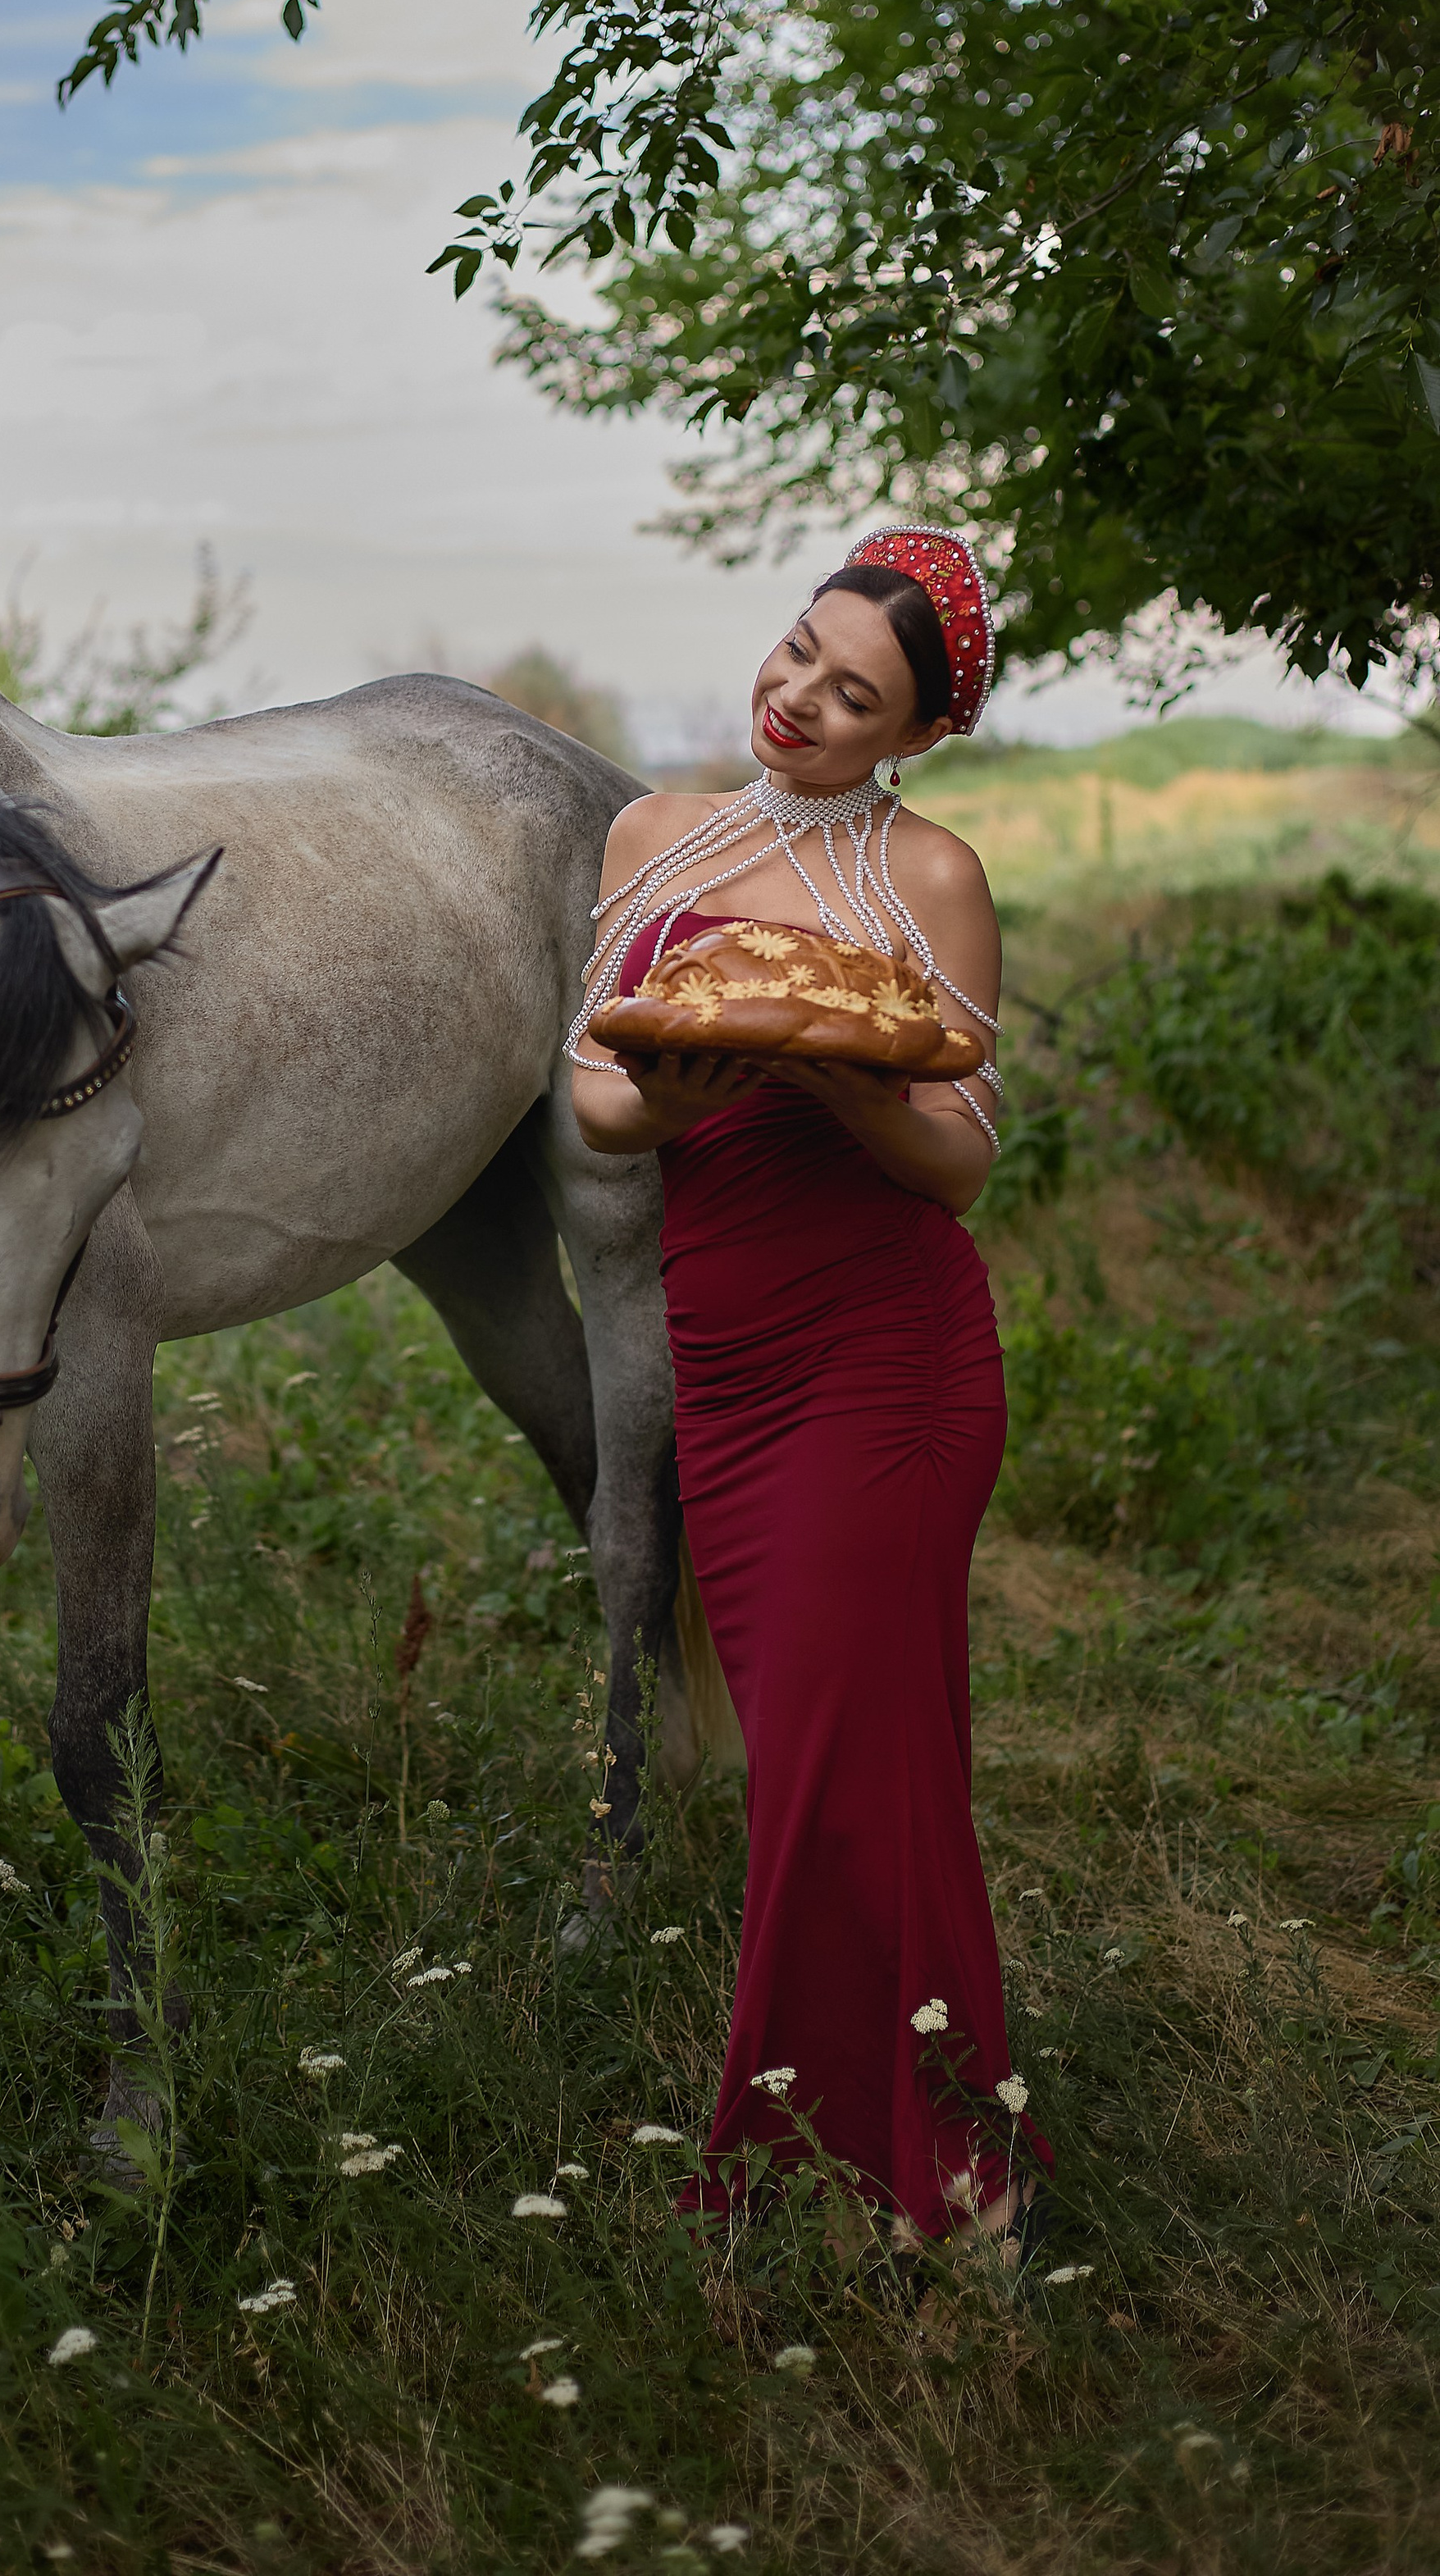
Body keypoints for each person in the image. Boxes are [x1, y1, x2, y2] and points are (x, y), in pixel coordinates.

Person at [571, 527, 1050, 2255]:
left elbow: (953, 1168)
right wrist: (690, 1094)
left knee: (859, 1771)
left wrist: (827, 1073)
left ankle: (918, 2186)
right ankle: (886, 2159)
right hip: (729, 1356)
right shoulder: (652, 840)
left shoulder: (926, 881)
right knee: (814, 1771)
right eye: (796, 655)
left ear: (908, 734)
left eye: (853, 696)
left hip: (887, 1355)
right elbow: (597, 1106)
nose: (799, 701)